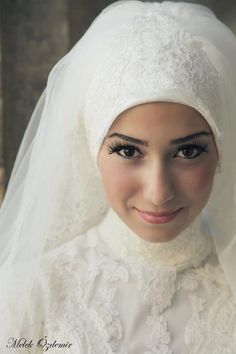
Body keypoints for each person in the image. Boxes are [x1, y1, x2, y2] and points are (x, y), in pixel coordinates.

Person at [0, 1, 236, 353]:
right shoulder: (28, 292)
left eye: (187, 152)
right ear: (91, 150)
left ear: (221, 152)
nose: (158, 193)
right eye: (128, 151)